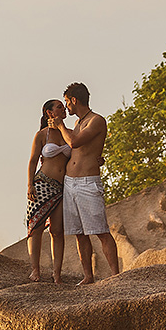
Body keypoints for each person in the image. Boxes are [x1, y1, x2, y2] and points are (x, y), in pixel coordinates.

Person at [49, 82, 121, 284]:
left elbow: (75, 143)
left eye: (66, 102)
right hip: (70, 183)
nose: (66, 108)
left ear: (74, 100)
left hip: (88, 183)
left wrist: (61, 126)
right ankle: (88, 275)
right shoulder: (79, 123)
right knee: (79, 233)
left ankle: (116, 275)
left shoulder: (96, 120)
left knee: (100, 231)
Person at [25, 99, 69, 283]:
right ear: (49, 112)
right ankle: (35, 270)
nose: (64, 108)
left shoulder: (69, 134)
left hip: (61, 187)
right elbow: (33, 160)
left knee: (57, 231)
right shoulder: (42, 135)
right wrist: (29, 185)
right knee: (36, 227)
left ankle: (56, 274)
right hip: (42, 183)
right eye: (59, 106)